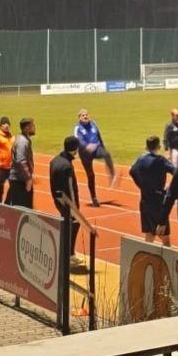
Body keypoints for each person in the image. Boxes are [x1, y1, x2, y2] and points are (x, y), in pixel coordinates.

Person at [130, 135, 177, 245]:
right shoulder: (161, 160)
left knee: (149, 235)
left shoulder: (141, 159)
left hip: (145, 200)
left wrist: (141, 185)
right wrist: (170, 187)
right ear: (158, 146)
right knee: (165, 237)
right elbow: (176, 172)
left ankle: (147, 255)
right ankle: (166, 256)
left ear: (146, 147)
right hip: (158, 201)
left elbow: (132, 172)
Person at [50, 136, 86, 269]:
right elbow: (71, 188)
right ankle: (68, 254)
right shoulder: (67, 166)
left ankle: (67, 253)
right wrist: (74, 207)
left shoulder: (54, 160)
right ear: (75, 149)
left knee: (67, 225)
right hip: (67, 202)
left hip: (57, 199)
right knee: (73, 224)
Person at [74, 108, 118, 207]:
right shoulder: (77, 128)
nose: (85, 117)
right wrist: (86, 146)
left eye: (86, 115)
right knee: (91, 176)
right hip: (85, 154)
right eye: (83, 115)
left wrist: (102, 147)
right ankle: (94, 198)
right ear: (79, 117)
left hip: (96, 149)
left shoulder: (93, 124)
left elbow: (99, 135)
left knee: (106, 154)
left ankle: (112, 175)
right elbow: (78, 140)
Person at [6, 118, 36, 209]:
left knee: (22, 206)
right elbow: (21, 160)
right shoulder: (22, 142)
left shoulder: (23, 139)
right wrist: (28, 178)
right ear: (27, 128)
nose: (34, 128)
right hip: (19, 180)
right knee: (22, 208)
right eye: (32, 126)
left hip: (19, 178)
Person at [0, 116, 15, 202]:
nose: (6, 125)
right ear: (1, 126)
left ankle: (7, 203)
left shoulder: (10, 136)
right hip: (1, 167)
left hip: (10, 166)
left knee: (13, 186)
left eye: (8, 124)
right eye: (4, 124)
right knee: (0, 187)